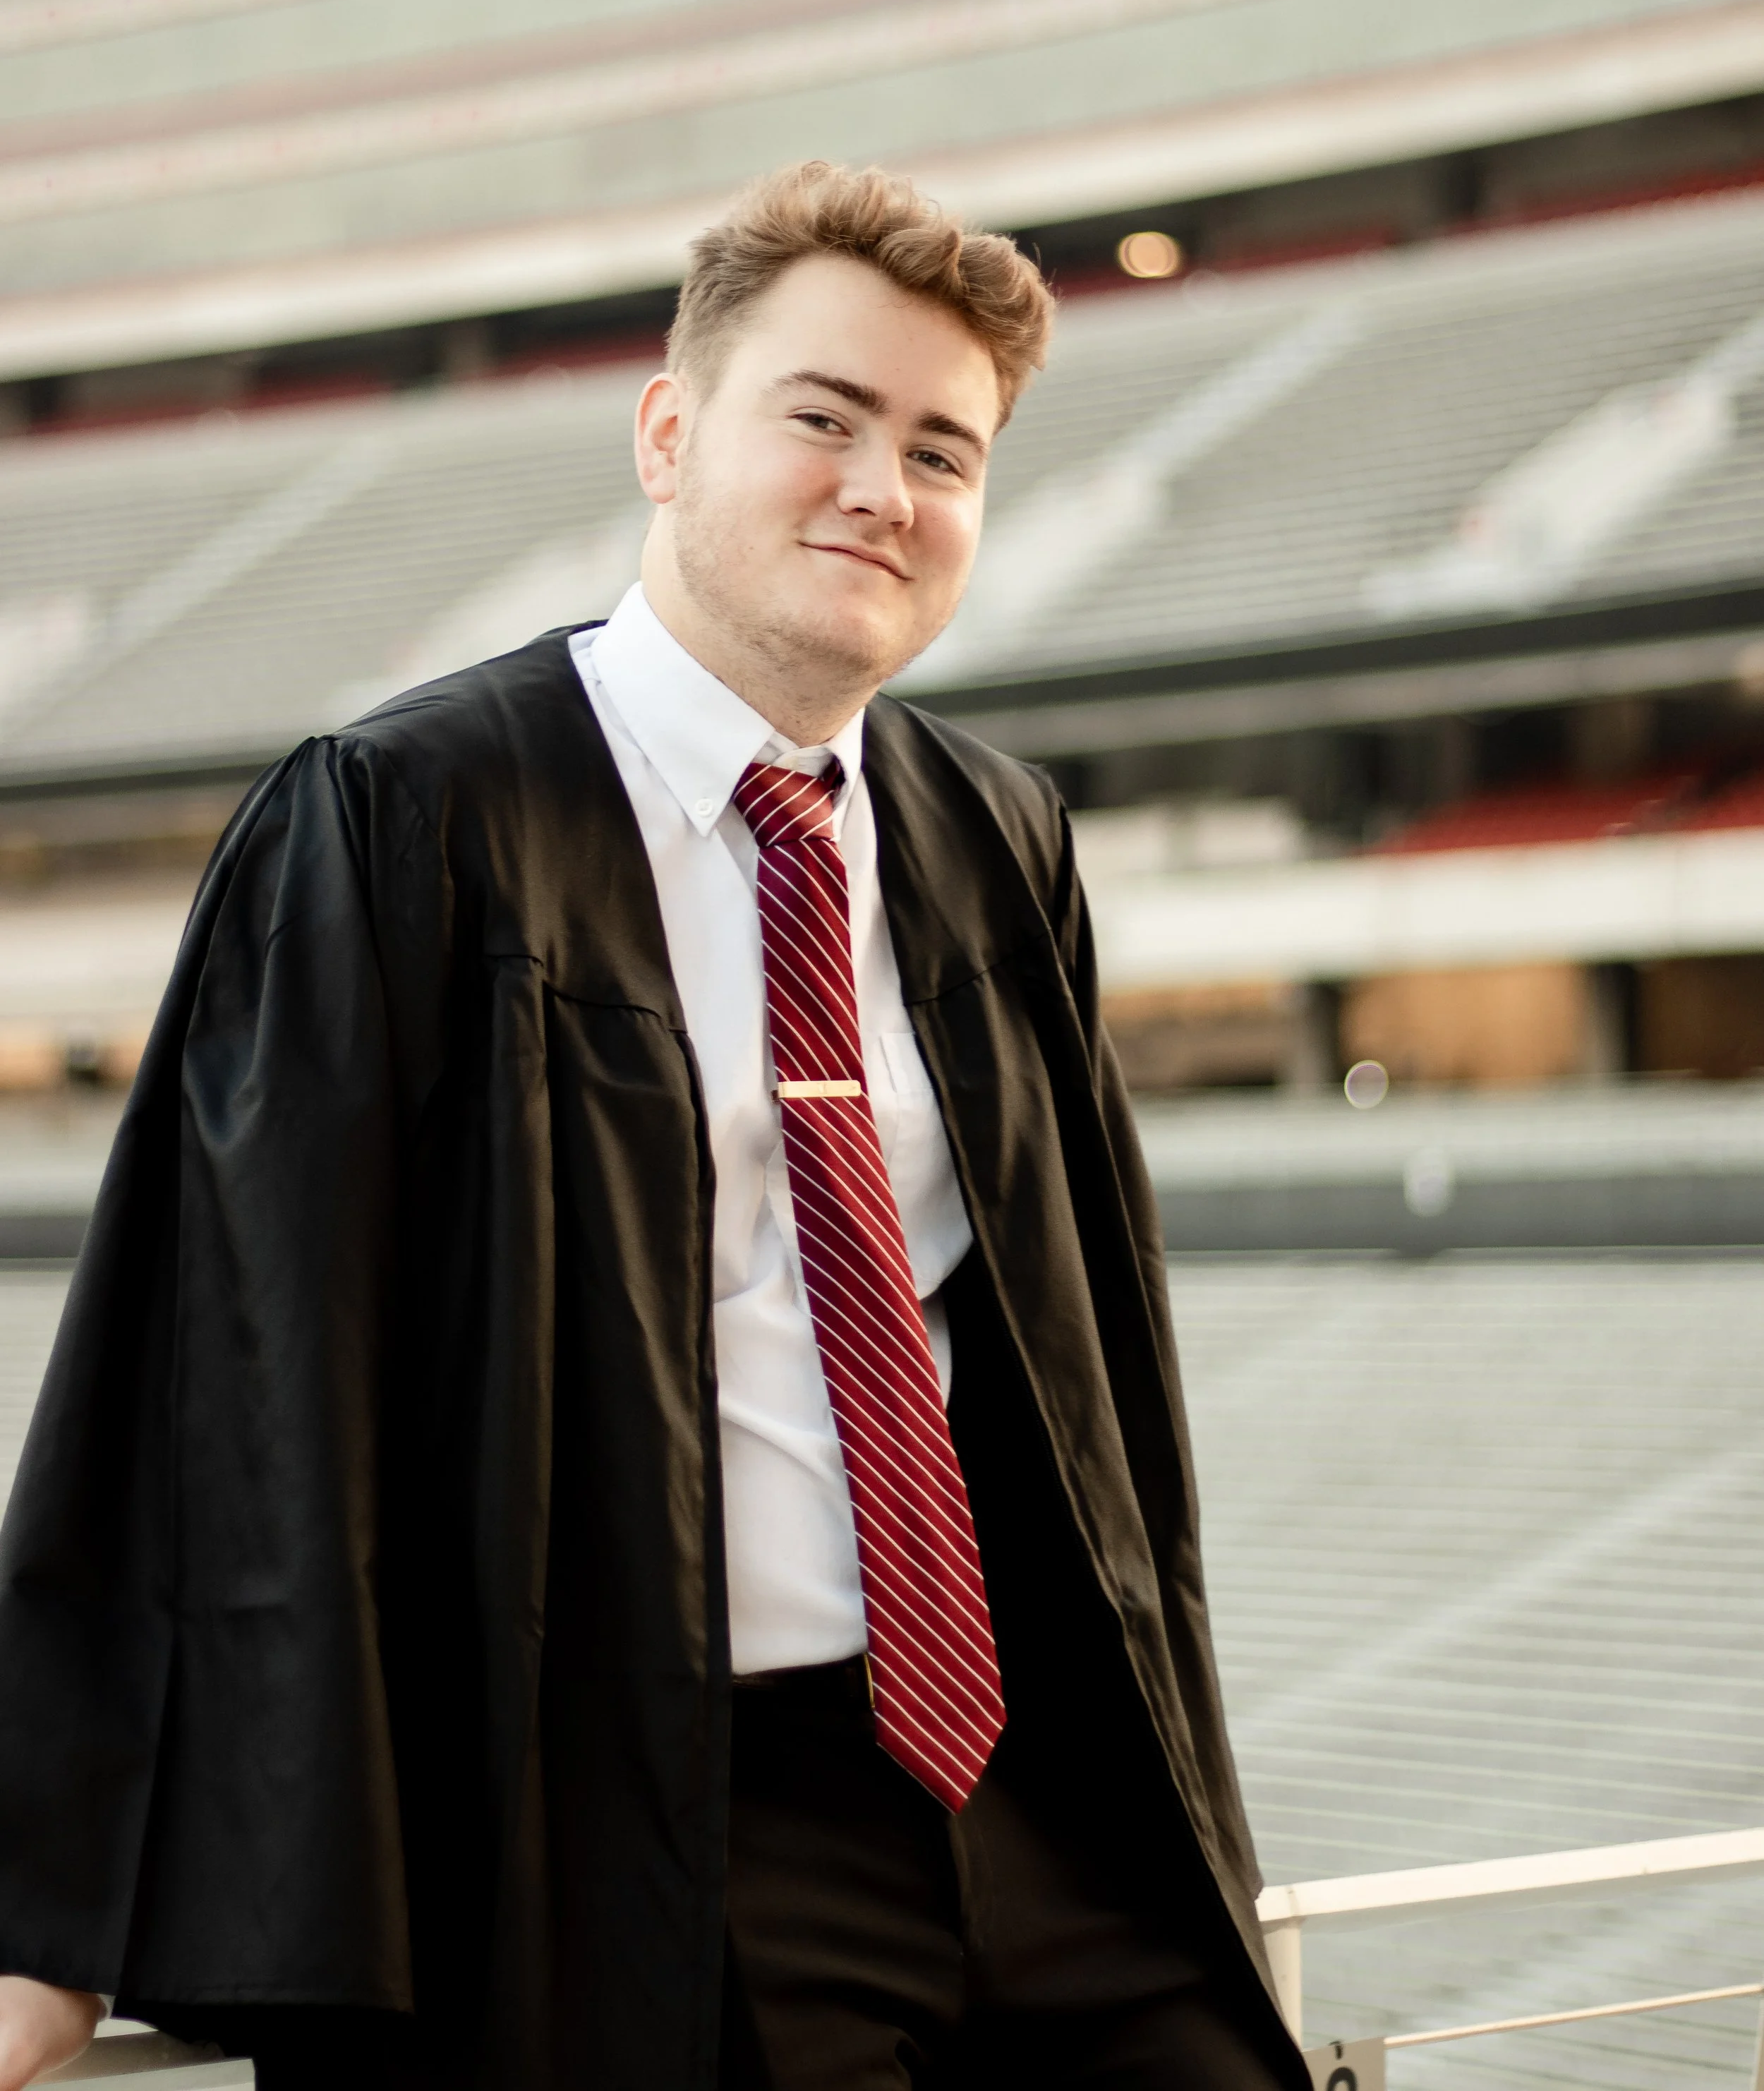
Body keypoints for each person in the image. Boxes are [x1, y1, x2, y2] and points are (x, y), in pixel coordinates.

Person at [0, 162, 1305, 2091]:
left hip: (1043, 1799)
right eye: (825, 417)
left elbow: (1094, 1379)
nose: (885, 487)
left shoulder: (994, 837)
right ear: (669, 430)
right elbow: (228, 1369)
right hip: (659, 1828)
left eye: (943, 450)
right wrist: (49, 1908)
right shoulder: (407, 819)